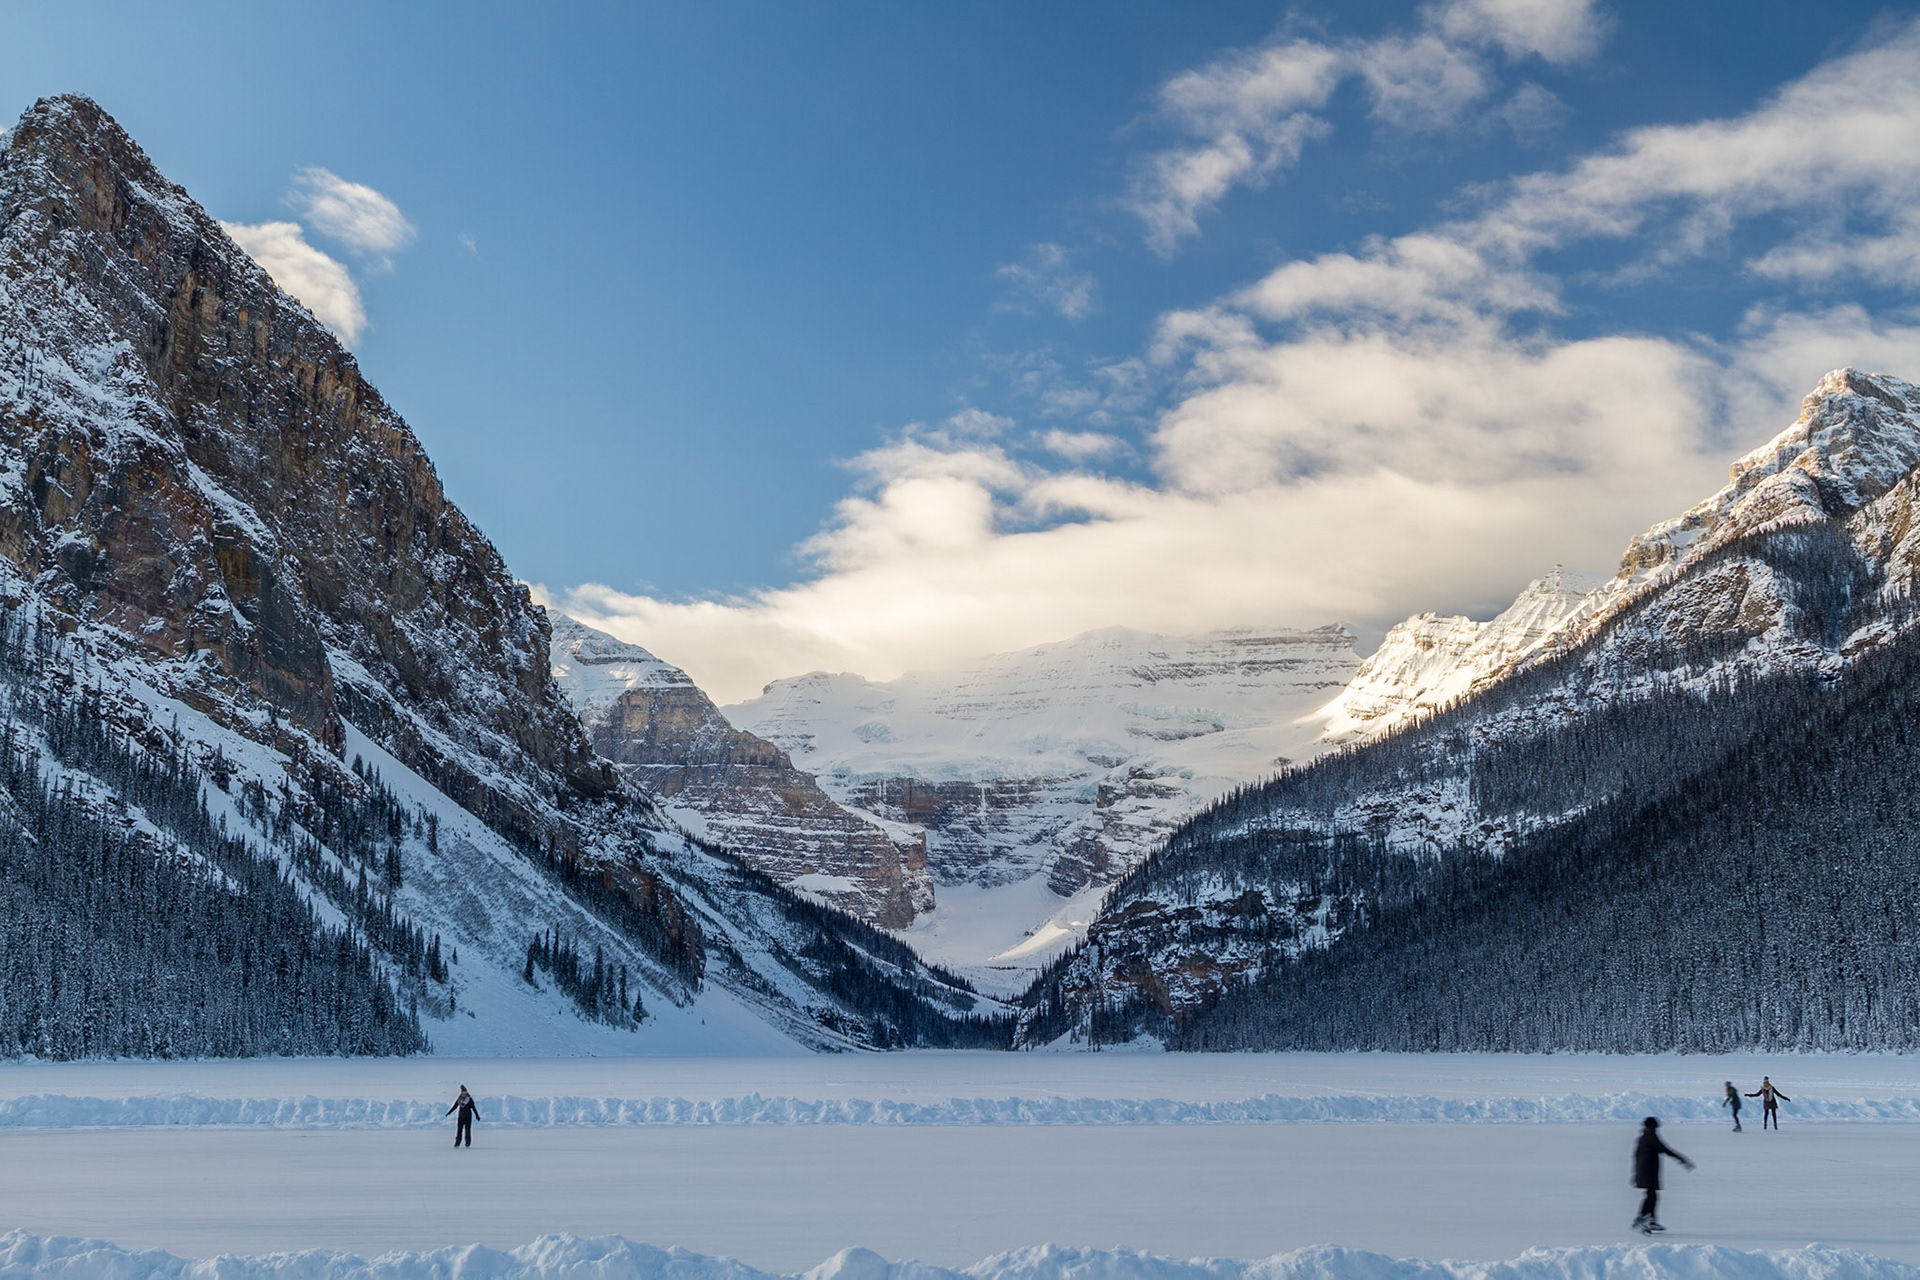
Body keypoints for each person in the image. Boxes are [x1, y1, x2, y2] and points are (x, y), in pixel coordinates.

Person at [1631, 1116, 1694, 1235]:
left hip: (1645, 1171)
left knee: (1652, 1195)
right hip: (1648, 1172)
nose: (1655, 1129)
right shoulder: (1651, 1138)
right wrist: (1682, 1160)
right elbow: (1665, 1149)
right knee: (1651, 1196)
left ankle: (1651, 1220)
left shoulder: (1642, 1138)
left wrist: (1635, 1173)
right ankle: (1641, 1219)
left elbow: (1636, 1155)